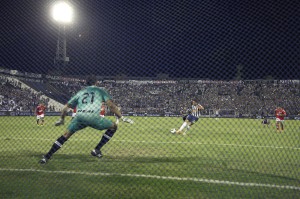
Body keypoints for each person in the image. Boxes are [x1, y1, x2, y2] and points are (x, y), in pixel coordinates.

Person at [39, 75, 133, 164]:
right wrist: (122, 117)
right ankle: (96, 149)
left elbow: (65, 108)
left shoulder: (81, 92)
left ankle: (47, 156)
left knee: (65, 135)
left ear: (86, 83)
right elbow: (111, 106)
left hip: (79, 117)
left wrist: (62, 120)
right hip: (93, 117)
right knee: (114, 127)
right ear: (96, 82)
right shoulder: (100, 91)